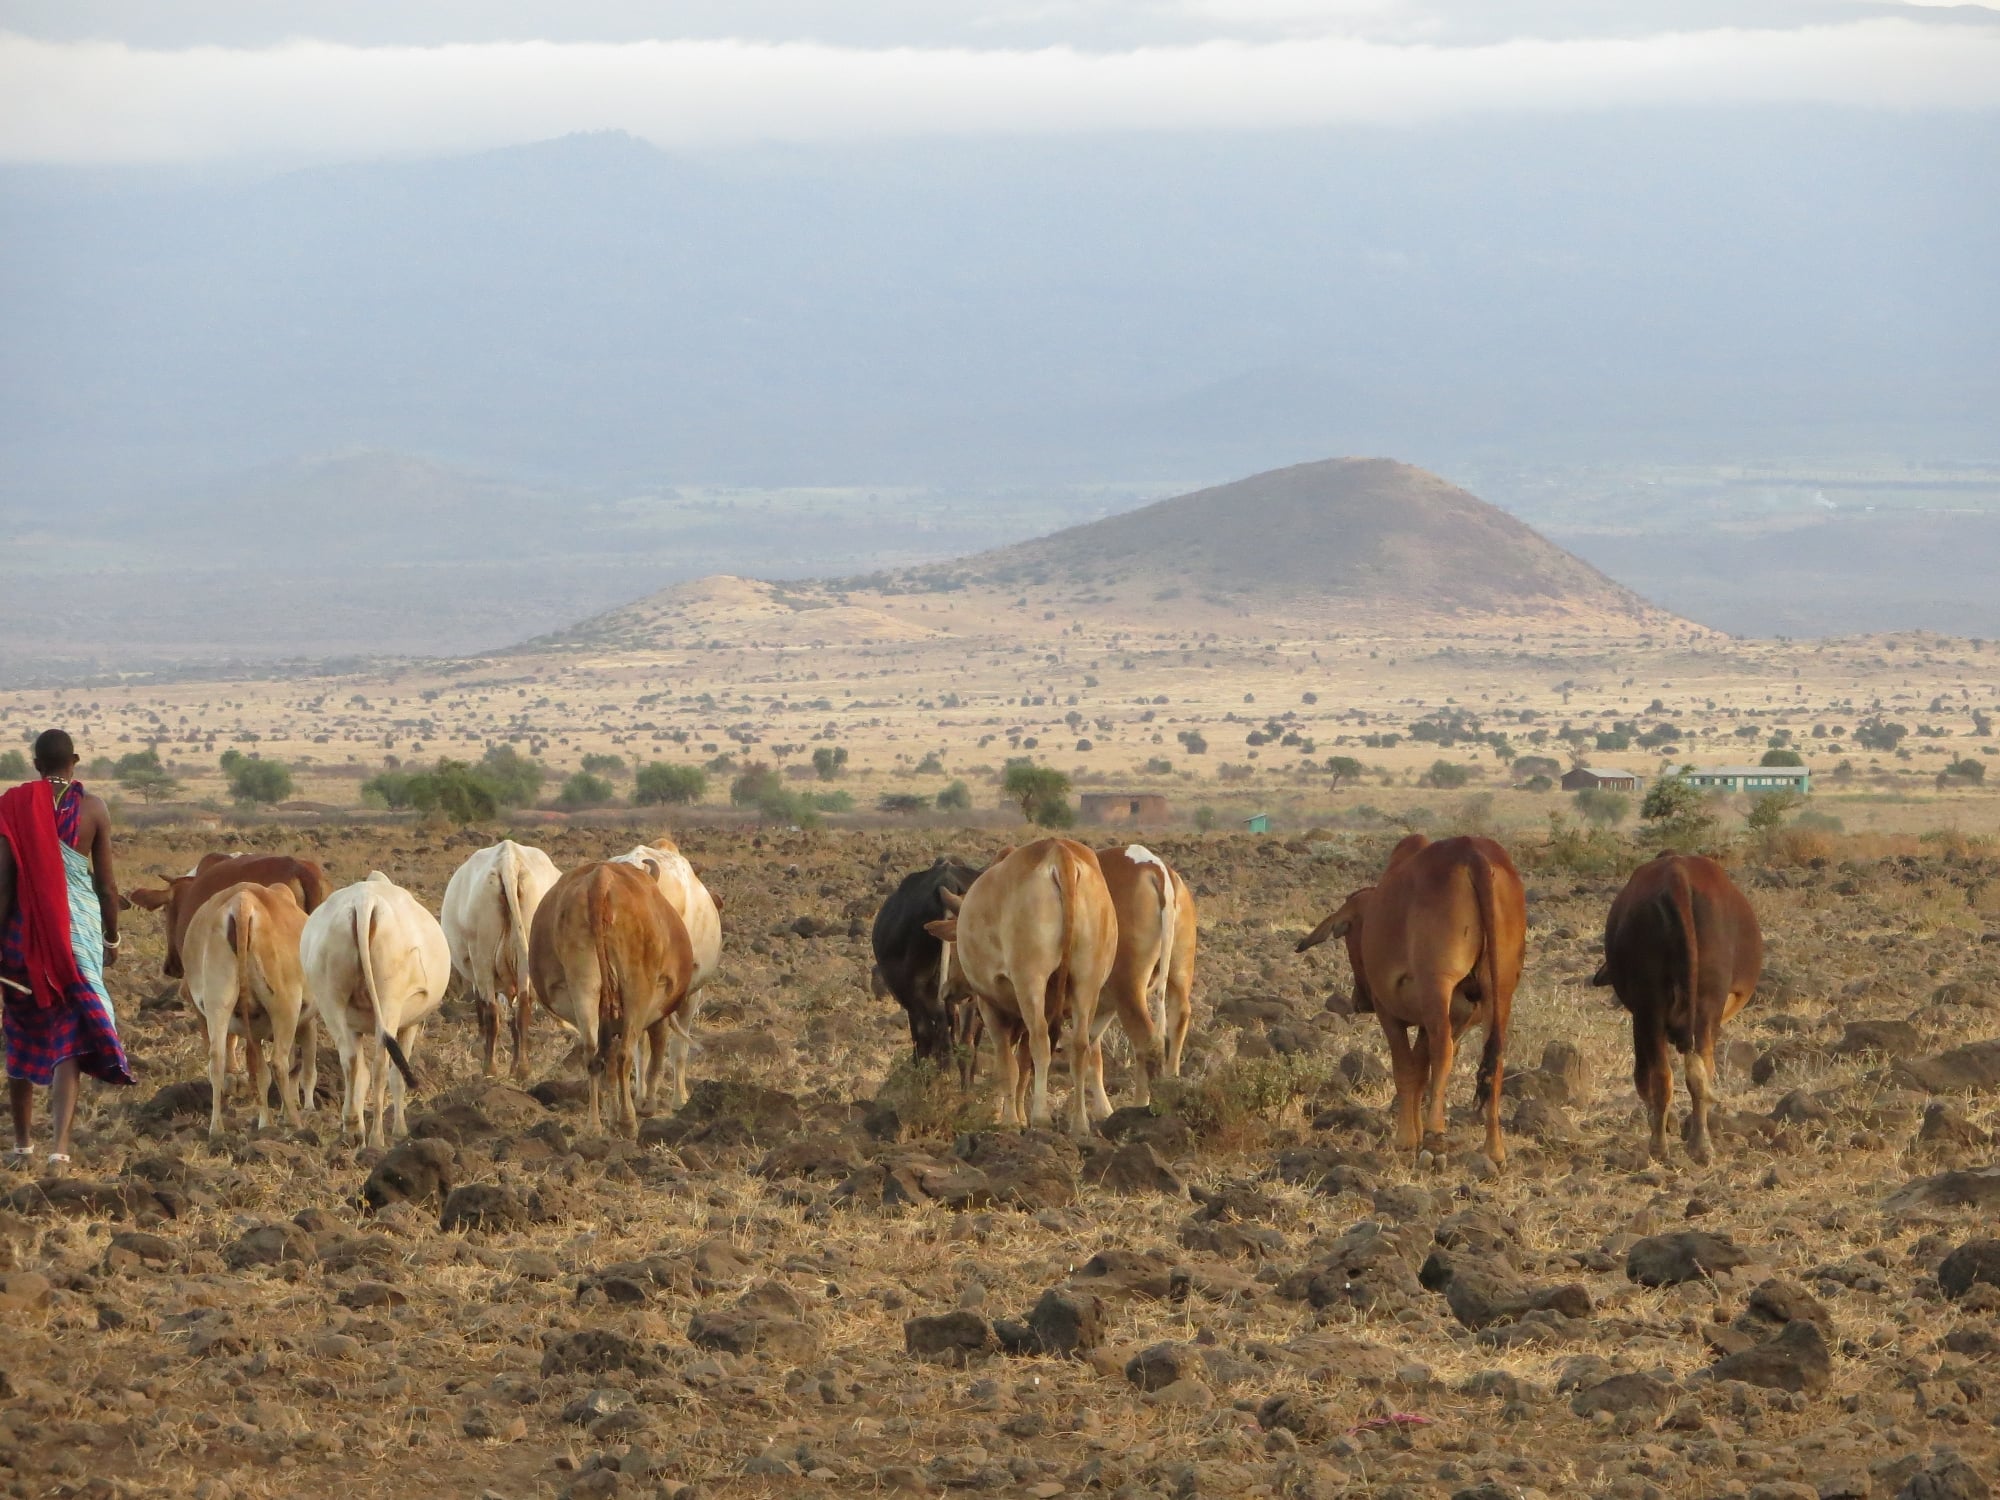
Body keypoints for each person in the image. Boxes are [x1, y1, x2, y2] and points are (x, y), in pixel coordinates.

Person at [0, 730, 133, 1169]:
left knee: (19, 1033)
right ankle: (59, 1149)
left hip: (22, 938)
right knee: (68, 1041)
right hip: (75, 938)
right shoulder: (93, 809)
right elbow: (107, 885)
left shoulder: (13, 806)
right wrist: (111, 937)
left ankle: (22, 1146)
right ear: (74, 761)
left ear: (35, 764)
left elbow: (3, 884)